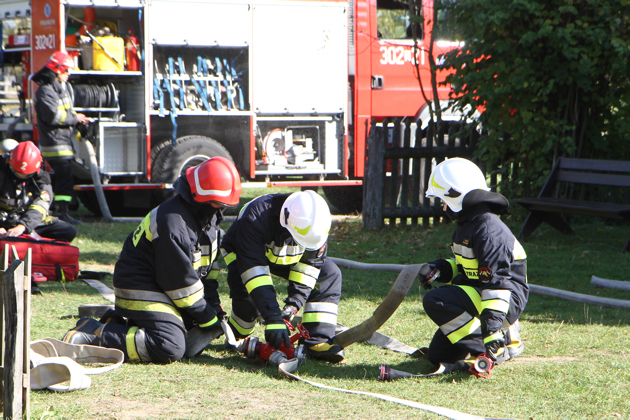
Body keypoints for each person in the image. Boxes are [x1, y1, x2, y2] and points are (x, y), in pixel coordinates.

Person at [63, 157, 241, 363]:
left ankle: (119, 326)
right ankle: (93, 333)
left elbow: (208, 273)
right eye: (217, 204)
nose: (220, 210)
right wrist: (207, 318)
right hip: (141, 287)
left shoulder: (207, 222)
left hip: (165, 288)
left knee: (192, 341)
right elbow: (180, 285)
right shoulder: (173, 224)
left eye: (224, 205)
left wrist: (215, 309)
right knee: (169, 345)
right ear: (199, 196)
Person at [420, 157, 528, 368]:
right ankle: (493, 340)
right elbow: (467, 268)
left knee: (435, 300)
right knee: (437, 356)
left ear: (456, 196)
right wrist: (440, 270)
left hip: (503, 300)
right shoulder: (469, 223)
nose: (443, 208)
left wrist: (490, 333)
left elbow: (497, 285)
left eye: (443, 201)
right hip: (481, 293)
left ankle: (496, 344)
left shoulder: (489, 231)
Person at [220, 190, 344, 363]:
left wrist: (293, 305)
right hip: (243, 252)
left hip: (285, 255)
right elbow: (255, 273)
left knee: (329, 274)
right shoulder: (255, 217)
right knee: (248, 302)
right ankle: (237, 333)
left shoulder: (316, 224)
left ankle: (317, 340)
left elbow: (309, 267)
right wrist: (273, 318)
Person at [0, 141, 78, 294]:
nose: (21, 176)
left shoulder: (42, 179)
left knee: (68, 231)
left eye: (25, 174)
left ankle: (28, 244)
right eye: (17, 172)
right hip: (3, 221)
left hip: (25, 223)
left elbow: (41, 206)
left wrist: (22, 226)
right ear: (9, 161)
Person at [32, 50, 89, 225]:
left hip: (62, 141)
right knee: (64, 178)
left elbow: (65, 112)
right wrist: (75, 118)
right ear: (57, 71)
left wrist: (78, 121)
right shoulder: (45, 92)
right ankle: (62, 213)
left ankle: (61, 209)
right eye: (66, 71)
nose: (68, 74)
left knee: (63, 177)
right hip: (55, 143)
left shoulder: (59, 91)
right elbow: (54, 117)